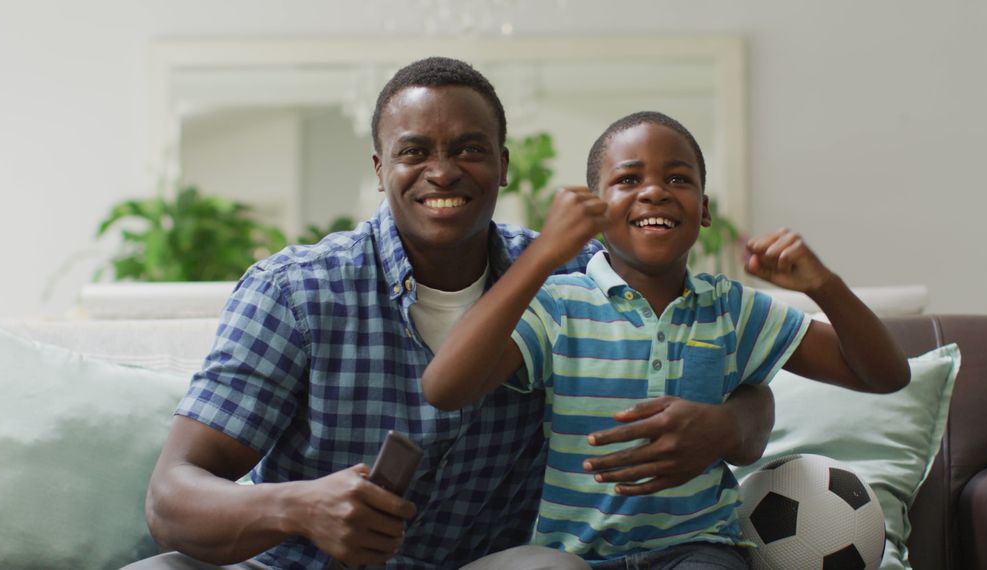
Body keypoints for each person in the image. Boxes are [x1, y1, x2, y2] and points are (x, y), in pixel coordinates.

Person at [133, 59, 780, 570]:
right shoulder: (296, 292)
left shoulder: (579, 280)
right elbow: (173, 497)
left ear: (503, 166)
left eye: (469, 150)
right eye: (415, 152)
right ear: (381, 168)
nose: (442, 172)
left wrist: (728, 425)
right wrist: (300, 506)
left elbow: (743, 376)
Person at [421, 111, 910, 567]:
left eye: (678, 179)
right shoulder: (559, 304)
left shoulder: (733, 310)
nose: (654, 192)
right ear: (594, 211)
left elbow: (886, 375)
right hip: (575, 555)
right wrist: (542, 254)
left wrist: (824, 285)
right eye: (628, 179)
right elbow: (444, 387)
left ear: (704, 210)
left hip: (696, 549)